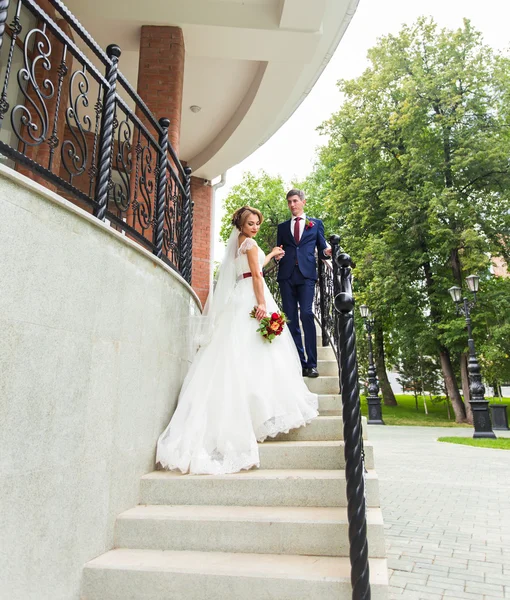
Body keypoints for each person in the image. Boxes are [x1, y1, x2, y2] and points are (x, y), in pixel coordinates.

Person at [156, 206, 318, 475]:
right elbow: (256, 275)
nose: (255, 227)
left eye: (257, 223)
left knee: (238, 351)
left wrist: (271, 255)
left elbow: (251, 267)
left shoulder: (239, 245)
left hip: (239, 296)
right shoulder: (250, 243)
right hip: (253, 296)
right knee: (259, 350)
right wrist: (263, 304)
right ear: (242, 225)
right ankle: (259, 411)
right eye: (250, 223)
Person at [276, 189, 331, 378]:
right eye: (289, 202)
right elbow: (279, 250)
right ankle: (299, 362)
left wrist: (328, 252)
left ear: (303, 202)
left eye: (295, 201)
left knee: (307, 314)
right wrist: (277, 258)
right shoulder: (283, 227)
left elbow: (322, 250)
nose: (292, 205)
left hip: (307, 275)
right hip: (287, 276)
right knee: (290, 319)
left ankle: (312, 364)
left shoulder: (316, 224)